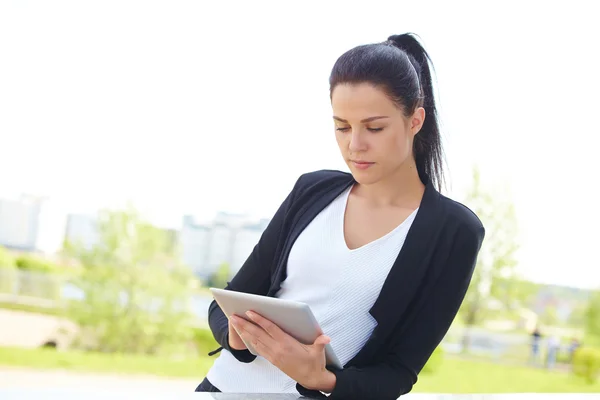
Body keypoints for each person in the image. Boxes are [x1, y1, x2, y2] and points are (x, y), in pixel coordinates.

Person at [195, 32, 485, 400]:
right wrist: (237, 335)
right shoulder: (311, 192)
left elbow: (398, 373)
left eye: (374, 128)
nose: (355, 145)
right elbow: (229, 300)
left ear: (415, 120)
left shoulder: (453, 232)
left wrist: (320, 378)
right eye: (342, 126)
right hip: (222, 389)